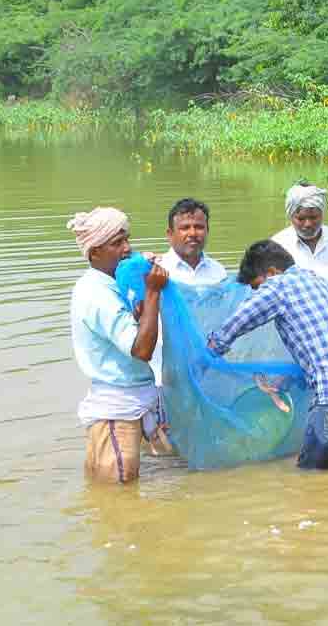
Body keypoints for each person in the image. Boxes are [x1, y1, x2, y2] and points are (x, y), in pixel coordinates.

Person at [208, 240, 328, 470]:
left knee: (311, 478)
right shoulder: (316, 279)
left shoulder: (277, 286)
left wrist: (207, 353)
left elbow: (235, 324)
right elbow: (324, 342)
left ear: (272, 273)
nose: (257, 292)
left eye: (256, 286)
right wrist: (288, 379)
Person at [67, 207, 171, 483]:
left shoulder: (109, 285)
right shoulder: (98, 294)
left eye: (127, 240)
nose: (127, 249)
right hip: (117, 412)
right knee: (117, 496)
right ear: (95, 253)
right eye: (116, 243)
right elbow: (141, 350)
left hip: (128, 403)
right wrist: (152, 291)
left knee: (118, 489)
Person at [272, 182, 328, 277]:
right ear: (291, 216)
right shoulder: (278, 245)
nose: (308, 224)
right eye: (301, 219)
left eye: (313, 217)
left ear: (322, 214)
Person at [161, 198, 228, 285]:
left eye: (199, 227)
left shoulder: (218, 271)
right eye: (185, 228)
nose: (193, 233)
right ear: (170, 234)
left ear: (207, 231)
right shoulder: (157, 270)